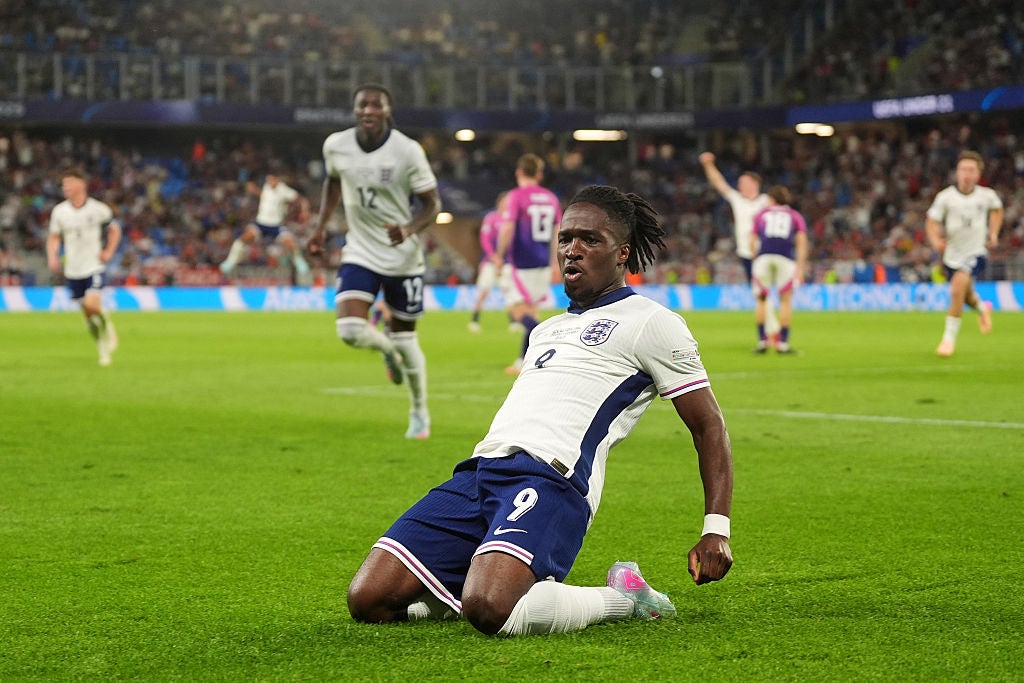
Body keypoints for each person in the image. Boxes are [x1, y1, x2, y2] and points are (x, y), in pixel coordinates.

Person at [346, 184, 734, 637]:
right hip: (477, 474)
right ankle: (463, 594)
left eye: (590, 240)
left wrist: (716, 528)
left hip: (551, 480)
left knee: (491, 607)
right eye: (566, 239)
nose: (572, 250)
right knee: (368, 599)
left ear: (623, 253)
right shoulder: (546, 330)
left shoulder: (652, 322)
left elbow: (708, 425)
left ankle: (623, 598)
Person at [307, 84, 441, 439]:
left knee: (406, 338)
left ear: (387, 110)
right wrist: (320, 228)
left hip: (403, 257)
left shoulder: (407, 151)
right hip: (361, 250)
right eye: (361, 105)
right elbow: (334, 183)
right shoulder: (336, 145)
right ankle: (386, 352)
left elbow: (433, 204)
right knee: (349, 331)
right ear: (354, 110)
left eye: (375, 105)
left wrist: (409, 228)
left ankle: (419, 412)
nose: (367, 110)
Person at [925, 150, 1003, 357]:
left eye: (971, 170)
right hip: (952, 254)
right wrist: (935, 240)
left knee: (957, 288)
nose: (966, 174)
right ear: (957, 172)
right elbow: (931, 221)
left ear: (978, 174)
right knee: (965, 295)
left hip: (975, 252)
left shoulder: (986, 196)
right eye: (963, 169)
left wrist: (994, 232)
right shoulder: (946, 197)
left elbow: (997, 210)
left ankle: (948, 340)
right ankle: (982, 309)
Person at [699, 152, 780, 340]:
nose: (740, 186)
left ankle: (768, 333)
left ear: (755, 184)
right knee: (759, 292)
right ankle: (770, 330)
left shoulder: (766, 201)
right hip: (746, 253)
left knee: (761, 291)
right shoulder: (737, 199)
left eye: (744, 182)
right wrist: (708, 165)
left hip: (765, 252)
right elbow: (719, 183)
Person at [493, 153, 562, 374]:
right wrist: (555, 262)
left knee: (517, 313)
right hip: (542, 262)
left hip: (520, 263)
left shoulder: (516, 196)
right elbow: (557, 231)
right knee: (531, 312)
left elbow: (507, 227)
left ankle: (550, 343)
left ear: (519, 172)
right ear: (539, 174)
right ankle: (523, 361)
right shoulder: (551, 198)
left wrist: (498, 255)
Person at [46, 168, 122, 366]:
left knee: (92, 305)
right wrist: (52, 256)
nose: (66, 188)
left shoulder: (98, 209)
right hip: (73, 269)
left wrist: (109, 251)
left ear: (82, 184)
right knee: (88, 315)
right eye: (64, 185)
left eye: (69, 183)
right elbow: (54, 237)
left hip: (93, 266)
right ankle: (102, 348)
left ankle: (107, 324)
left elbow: (115, 229)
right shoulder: (60, 212)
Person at [220, 173, 311, 283]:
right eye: (268, 179)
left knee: (291, 243)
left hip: (276, 225)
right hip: (261, 223)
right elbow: (265, 196)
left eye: (272, 179)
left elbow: (301, 199)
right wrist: (254, 190)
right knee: (243, 239)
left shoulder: (284, 190)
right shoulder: (266, 187)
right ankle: (230, 262)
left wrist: (303, 211)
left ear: (277, 179)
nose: (269, 182)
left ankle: (299, 262)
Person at [749, 185, 808, 355]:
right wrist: (800, 267)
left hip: (764, 257)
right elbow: (802, 243)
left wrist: (756, 258)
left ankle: (762, 342)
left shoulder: (762, 214)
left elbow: (752, 240)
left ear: (772, 199)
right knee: (785, 301)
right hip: (785, 258)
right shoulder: (795, 216)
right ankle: (782, 344)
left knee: (761, 299)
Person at [468, 192, 508, 333]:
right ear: (499, 203)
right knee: (483, 292)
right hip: (490, 262)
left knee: (509, 292)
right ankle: (474, 320)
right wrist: (493, 257)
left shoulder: (511, 219)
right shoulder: (491, 218)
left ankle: (514, 321)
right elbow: (485, 240)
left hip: (507, 262)